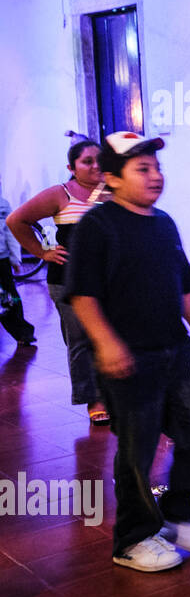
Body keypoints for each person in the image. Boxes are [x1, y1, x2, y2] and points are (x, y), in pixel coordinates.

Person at [65, 132, 190, 572]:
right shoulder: (96, 226)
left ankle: (179, 516)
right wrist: (107, 344)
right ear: (111, 178)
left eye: (157, 168)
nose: (156, 176)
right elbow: (83, 294)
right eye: (142, 169)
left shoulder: (164, 223)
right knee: (139, 450)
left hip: (177, 351)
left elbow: (183, 284)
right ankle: (132, 538)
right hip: (129, 360)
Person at [6, 140, 111, 423]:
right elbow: (17, 220)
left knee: (113, 336)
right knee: (81, 340)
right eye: (87, 161)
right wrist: (42, 253)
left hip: (110, 282)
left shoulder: (115, 192)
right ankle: (94, 399)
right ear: (71, 167)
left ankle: (116, 394)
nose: (95, 165)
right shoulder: (60, 194)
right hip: (69, 281)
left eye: (99, 159)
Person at [0, 187, 37, 349]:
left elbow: (9, 232)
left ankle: (23, 332)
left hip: (2, 259)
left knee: (10, 298)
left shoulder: (3, 205)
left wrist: (15, 259)